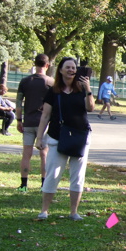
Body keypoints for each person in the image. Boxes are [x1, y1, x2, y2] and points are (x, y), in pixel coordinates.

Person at [35, 57, 94, 220]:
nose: (71, 70)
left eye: (73, 67)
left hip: (80, 137)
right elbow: (45, 116)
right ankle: (44, 210)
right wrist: (39, 138)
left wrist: (88, 89)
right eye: (67, 67)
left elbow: (90, 107)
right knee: (52, 174)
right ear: (60, 70)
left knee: (77, 176)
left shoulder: (82, 89)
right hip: (57, 136)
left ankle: (74, 212)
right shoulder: (53, 91)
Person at [15, 53, 53, 191]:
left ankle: (24, 185)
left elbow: (18, 103)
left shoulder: (25, 81)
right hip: (44, 123)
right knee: (44, 154)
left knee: (26, 154)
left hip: (28, 122)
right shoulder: (51, 82)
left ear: (35, 64)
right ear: (47, 65)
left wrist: (19, 120)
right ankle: (44, 184)